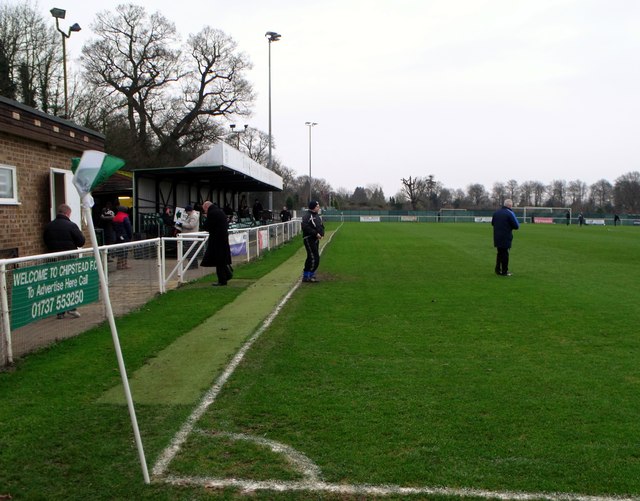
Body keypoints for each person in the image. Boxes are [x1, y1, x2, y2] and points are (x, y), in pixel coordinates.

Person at [43, 203, 85, 319]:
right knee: (70, 283)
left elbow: (45, 241)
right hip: (69, 258)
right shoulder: (71, 226)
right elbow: (81, 242)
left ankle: (60, 311)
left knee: (57, 284)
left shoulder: (48, 226)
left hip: (53, 258)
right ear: (68, 213)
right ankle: (71, 308)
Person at [200, 201, 233, 286]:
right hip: (223, 239)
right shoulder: (220, 211)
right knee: (221, 260)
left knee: (219, 261)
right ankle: (227, 275)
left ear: (207, 207)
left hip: (217, 240)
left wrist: (205, 219)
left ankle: (222, 280)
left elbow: (207, 227)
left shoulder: (212, 213)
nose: (205, 212)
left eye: (204, 210)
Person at [491, 199, 519, 277]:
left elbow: (492, 223)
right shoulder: (510, 213)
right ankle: (504, 271)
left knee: (499, 253)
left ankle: (497, 270)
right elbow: (516, 226)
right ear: (510, 205)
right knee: (505, 254)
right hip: (506, 236)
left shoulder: (496, 213)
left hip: (497, 236)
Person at [301, 200, 325, 283]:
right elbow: (305, 227)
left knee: (311, 257)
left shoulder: (317, 216)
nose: (319, 208)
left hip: (315, 239)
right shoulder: (307, 216)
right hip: (309, 239)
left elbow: (320, 226)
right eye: (317, 206)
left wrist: (321, 234)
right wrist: (315, 234)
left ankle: (306, 275)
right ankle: (310, 275)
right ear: (313, 207)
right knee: (314, 257)